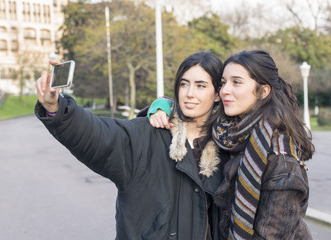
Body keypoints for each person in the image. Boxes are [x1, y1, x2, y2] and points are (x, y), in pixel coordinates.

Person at [35, 51, 226, 239]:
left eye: (201, 86)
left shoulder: (227, 146)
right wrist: (57, 109)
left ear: (217, 94)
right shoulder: (146, 133)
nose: (189, 93)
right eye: (184, 84)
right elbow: (97, 134)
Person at [148, 50, 314, 239]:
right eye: (223, 83)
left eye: (236, 82)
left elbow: (272, 234)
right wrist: (162, 106)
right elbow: (194, 107)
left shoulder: (280, 157)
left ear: (263, 91)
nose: (225, 90)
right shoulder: (230, 135)